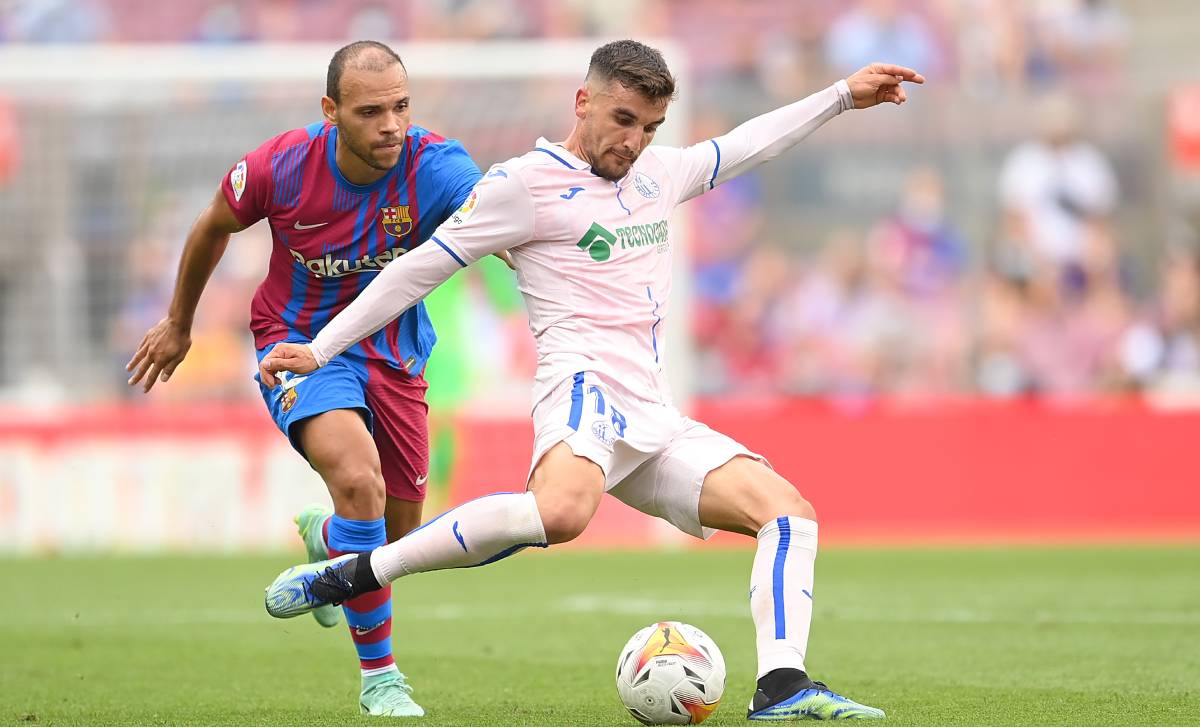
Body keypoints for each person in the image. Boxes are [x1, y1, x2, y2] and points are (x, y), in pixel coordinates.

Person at [259, 40, 922, 720]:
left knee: (790, 515)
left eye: (651, 128)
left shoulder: (661, 174)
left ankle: (783, 685)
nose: (634, 141)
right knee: (564, 514)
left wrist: (842, 95)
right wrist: (320, 348)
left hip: (654, 415)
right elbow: (419, 269)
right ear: (584, 102)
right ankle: (356, 571)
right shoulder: (523, 186)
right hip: (582, 396)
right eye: (624, 119)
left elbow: (751, 143)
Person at [125, 40, 491, 718]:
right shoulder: (284, 166)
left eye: (402, 107)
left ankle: (330, 542)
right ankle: (381, 679)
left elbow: (504, 222)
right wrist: (179, 322)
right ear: (331, 111)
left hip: (394, 353)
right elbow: (212, 227)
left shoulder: (437, 168)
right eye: (371, 110)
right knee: (359, 480)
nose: (391, 125)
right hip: (295, 349)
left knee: (397, 535)